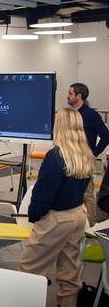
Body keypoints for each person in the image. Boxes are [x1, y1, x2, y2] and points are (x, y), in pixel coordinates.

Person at [19, 107, 94, 307]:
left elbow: (44, 195)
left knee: (29, 269)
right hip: (78, 215)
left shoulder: (55, 157)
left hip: (56, 219)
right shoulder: (85, 155)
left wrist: (34, 216)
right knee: (69, 271)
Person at [68, 83, 109, 225]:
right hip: (70, 159)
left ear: (79, 96)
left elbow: (106, 136)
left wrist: (94, 153)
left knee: (87, 194)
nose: (68, 96)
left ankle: (90, 226)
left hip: (84, 160)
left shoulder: (92, 115)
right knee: (72, 193)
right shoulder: (71, 114)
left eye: (71, 93)